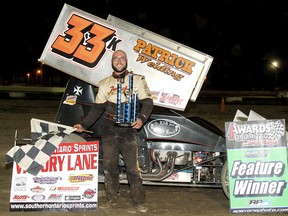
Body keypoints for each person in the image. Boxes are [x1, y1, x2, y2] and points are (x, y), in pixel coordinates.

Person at [73, 50, 153, 213]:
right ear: (112, 61)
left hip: (128, 130)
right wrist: (83, 124)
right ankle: (111, 196)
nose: (119, 61)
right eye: (116, 58)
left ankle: (138, 199)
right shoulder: (104, 83)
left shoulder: (137, 80)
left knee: (132, 167)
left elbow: (148, 103)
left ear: (126, 61)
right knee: (109, 166)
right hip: (109, 128)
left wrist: (142, 119)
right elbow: (97, 109)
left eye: (122, 58)